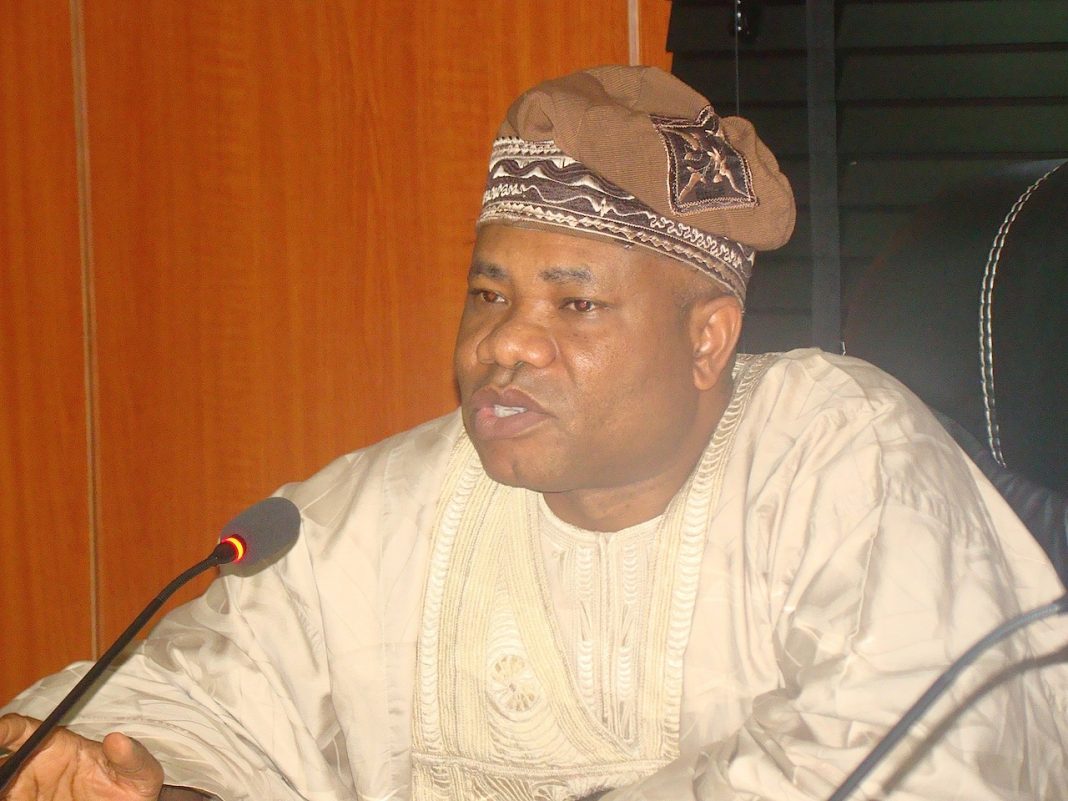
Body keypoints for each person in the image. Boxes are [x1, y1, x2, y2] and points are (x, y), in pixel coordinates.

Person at [2, 65, 1066, 801]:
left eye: (575, 304)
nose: (504, 344)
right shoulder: (386, 509)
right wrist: (109, 768)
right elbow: (201, 694)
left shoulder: (840, 453)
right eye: (489, 295)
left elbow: (921, 759)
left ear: (707, 340)